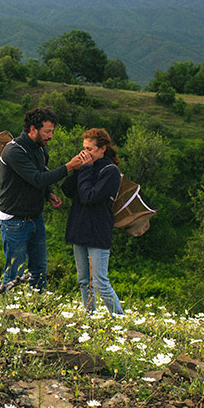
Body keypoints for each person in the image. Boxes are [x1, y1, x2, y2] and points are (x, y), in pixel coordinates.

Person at [0, 107, 85, 291]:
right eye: (47, 131)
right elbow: (36, 178)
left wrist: (49, 193)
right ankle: (4, 310)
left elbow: (42, 173)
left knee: (39, 271)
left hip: (35, 218)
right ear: (32, 129)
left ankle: (37, 309)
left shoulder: (40, 149)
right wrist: (68, 167)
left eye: (51, 131)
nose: (50, 136)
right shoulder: (14, 151)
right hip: (14, 222)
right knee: (15, 273)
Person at [62, 128, 124, 314]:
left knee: (100, 282)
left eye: (89, 149)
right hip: (79, 228)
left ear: (102, 149)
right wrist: (76, 169)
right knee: (83, 281)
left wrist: (86, 169)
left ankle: (120, 320)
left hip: (97, 231)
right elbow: (67, 190)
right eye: (84, 148)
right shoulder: (86, 168)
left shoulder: (110, 171)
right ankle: (89, 317)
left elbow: (89, 197)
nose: (85, 153)